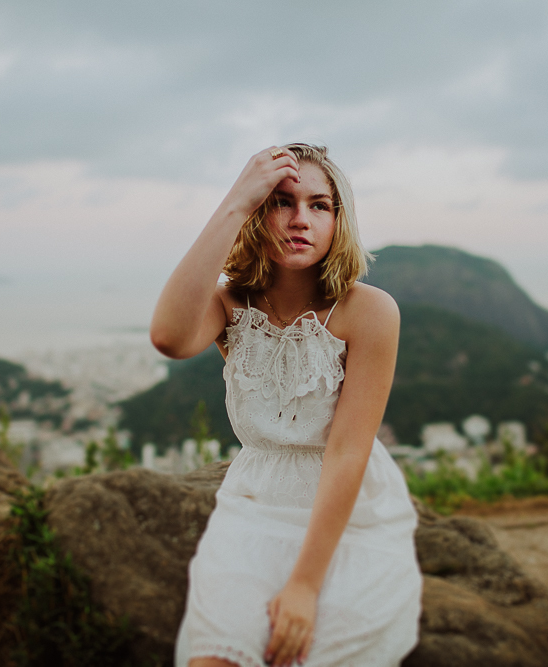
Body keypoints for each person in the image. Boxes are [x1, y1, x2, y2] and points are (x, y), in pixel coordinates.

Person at [151, 143, 421, 667]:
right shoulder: (231, 304)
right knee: (218, 658)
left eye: (319, 205)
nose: (301, 220)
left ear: (338, 220)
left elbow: (347, 451)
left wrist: (304, 586)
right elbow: (169, 336)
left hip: (347, 510)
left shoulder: (369, 311)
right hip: (254, 501)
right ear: (257, 213)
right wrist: (234, 201)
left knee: (304, 654)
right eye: (280, 202)